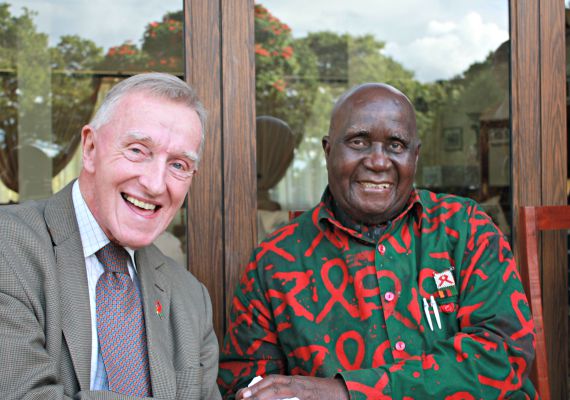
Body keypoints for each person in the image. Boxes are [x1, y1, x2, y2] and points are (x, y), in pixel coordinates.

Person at [218, 83, 536, 399]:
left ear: (416, 155)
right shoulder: (274, 261)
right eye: (359, 141)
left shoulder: (464, 230)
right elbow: (244, 381)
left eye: (396, 145)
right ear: (328, 150)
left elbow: (503, 354)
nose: (379, 161)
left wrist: (345, 392)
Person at [0, 73, 221, 399]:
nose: (156, 184)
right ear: (89, 148)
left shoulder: (191, 299)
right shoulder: (8, 247)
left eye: (178, 165)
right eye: (137, 150)